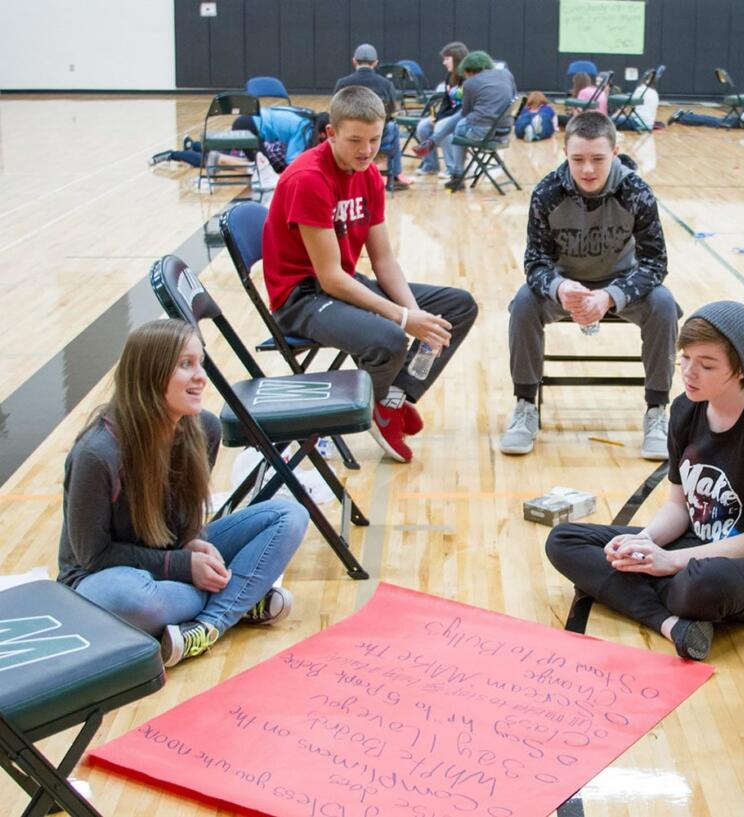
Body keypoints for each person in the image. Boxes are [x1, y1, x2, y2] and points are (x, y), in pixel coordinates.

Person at [546, 302, 744, 660]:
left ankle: (652, 599)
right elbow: (678, 505)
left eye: (706, 365)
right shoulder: (687, 408)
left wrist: (671, 562)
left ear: (741, 370)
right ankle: (672, 624)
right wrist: (642, 544)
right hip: (699, 544)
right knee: (563, 540)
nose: (689, 372)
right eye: (685, 358)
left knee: (700, 587)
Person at [57, 319, 307, 668]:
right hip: (104, 579)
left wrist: (191, 541)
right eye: (186, 364)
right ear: (150, 374)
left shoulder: (204, 427)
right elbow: (93, 558)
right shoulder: (97, 454)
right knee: (132, 600)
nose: (201, 376)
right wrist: (183, 565)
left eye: (200, 362)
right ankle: (239, 599)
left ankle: (206, 626)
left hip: (169, 560)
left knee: (290, 515)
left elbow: (185, 523)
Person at [263, 86, 478, 463]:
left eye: (375, 139)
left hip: (343, 285)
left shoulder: (369, 175)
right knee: (390, 339)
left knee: (458, 306)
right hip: (302, 298)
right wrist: (405, 319)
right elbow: (329, 278)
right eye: (355, 141)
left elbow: (384, 260)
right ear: (330, 134)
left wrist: (417, 315)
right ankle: (374, 407)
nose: (366, 150)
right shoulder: (308, 179)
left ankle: (393, 397)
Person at [501, 111, 677, 460]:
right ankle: (525, 405)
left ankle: (657, 411)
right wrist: (561, 288)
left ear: (615, 152)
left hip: (620, 284)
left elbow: (656, 263)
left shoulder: (637, 192)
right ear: (564, 152)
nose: (587, 170)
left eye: (598, 159)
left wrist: (611, 297)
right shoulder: (547, 193)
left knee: (664, 305)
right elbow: (535, 262)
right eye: (577, 159)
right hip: (566, 285)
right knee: (523, 303)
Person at [334, 43, 410, 191]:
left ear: (354, 61)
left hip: (350, 139)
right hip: (379, 138)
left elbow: (335, 112)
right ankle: (395, 174)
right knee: (392, 126)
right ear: (375, 63)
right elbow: (392, 110)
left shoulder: (342, 83)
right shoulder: (386, 84)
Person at [441, 50, 517, 192]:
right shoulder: (506, 74)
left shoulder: (470, 83)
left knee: (457, 131)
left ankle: (457, 175)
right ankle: (457, 171)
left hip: (483, 133)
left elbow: (465, 113)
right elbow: (514, 96)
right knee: (461, 129)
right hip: (505, 132)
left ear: (469, 70)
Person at [410, 41, 470, 176]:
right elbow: (446, 103)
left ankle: (452, 168)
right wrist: (436, 117)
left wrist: (442, 120)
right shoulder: (450, 77)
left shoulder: (469, 79)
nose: (444, 62)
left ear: (457, 59)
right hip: (449, 116)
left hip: (462, 120)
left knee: (442, 127)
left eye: (447, 59)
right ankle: (430, 165)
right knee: (423, 126)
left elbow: (464, 108)